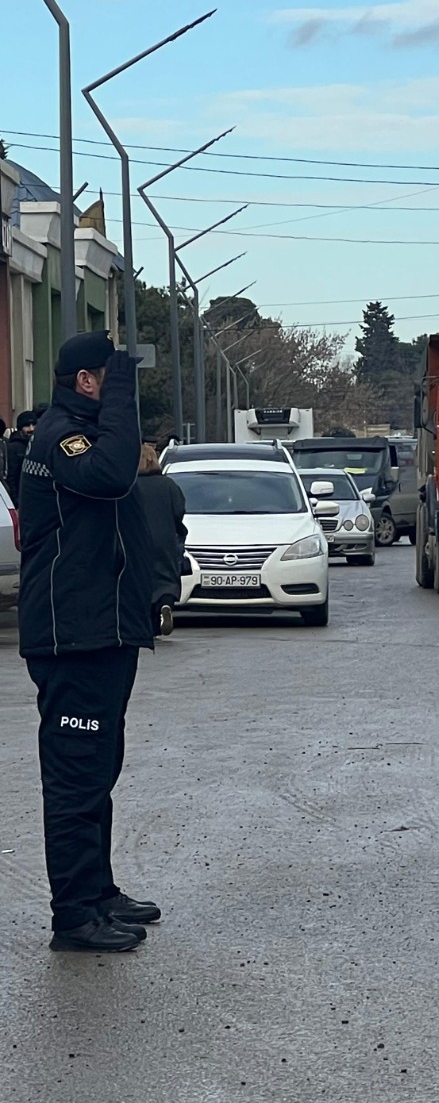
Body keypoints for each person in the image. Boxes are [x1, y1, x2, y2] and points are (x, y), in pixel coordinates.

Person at [16, 332, 159, 953]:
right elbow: (111, 473)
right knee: (75, 779)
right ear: (88, 382)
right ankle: (73, 914)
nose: (119, 390)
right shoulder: (60, 436)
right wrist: (125, 390)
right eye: (111, 378)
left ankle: (97, 891)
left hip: (100, 631)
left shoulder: (80, 430)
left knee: (98, 770)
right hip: (69, 637)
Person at [134, 443, 187, 637]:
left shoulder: (131, 486)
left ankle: (149, 624)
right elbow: (179, 510)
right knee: (166, 577)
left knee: (141, 579)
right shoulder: (169, 485)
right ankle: (165, 604)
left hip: (137, 539)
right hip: (164, 539)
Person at [5, 408, 37, 500]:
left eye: (34, 424)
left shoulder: (39, 444)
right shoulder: (13, 448)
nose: (31, 428)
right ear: (20, 428)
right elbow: (11, 478)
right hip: (22, 499)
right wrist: (16, 502)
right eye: (27, 425)